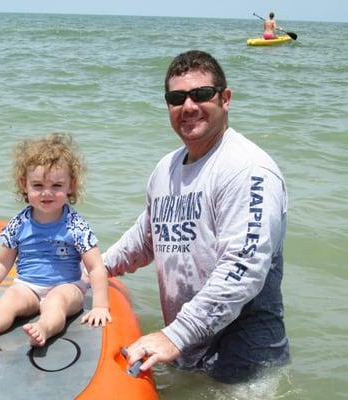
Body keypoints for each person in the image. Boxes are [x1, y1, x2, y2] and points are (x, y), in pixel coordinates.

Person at [105, 50, 289, 384]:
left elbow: (243, 268)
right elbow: (146, 237)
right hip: (186, 350)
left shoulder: (247, 169)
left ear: (226, 99)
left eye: (201, 94)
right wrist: (94, 270)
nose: (188, 106)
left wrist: (176, 334)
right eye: (177, 98)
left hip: (245, 360)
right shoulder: (166, 168)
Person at [0, 133, 111, 350]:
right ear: (23, 184)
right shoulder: (19, 224)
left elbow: (95, 267)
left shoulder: (76, 225)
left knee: (56, 303)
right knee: (8, 300)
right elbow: (0, 263)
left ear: (70, 186)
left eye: (56, 185)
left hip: (66, 286)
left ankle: (43, 328)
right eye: (37, 185)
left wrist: (100, 306)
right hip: (28, 287)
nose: (47, 192)